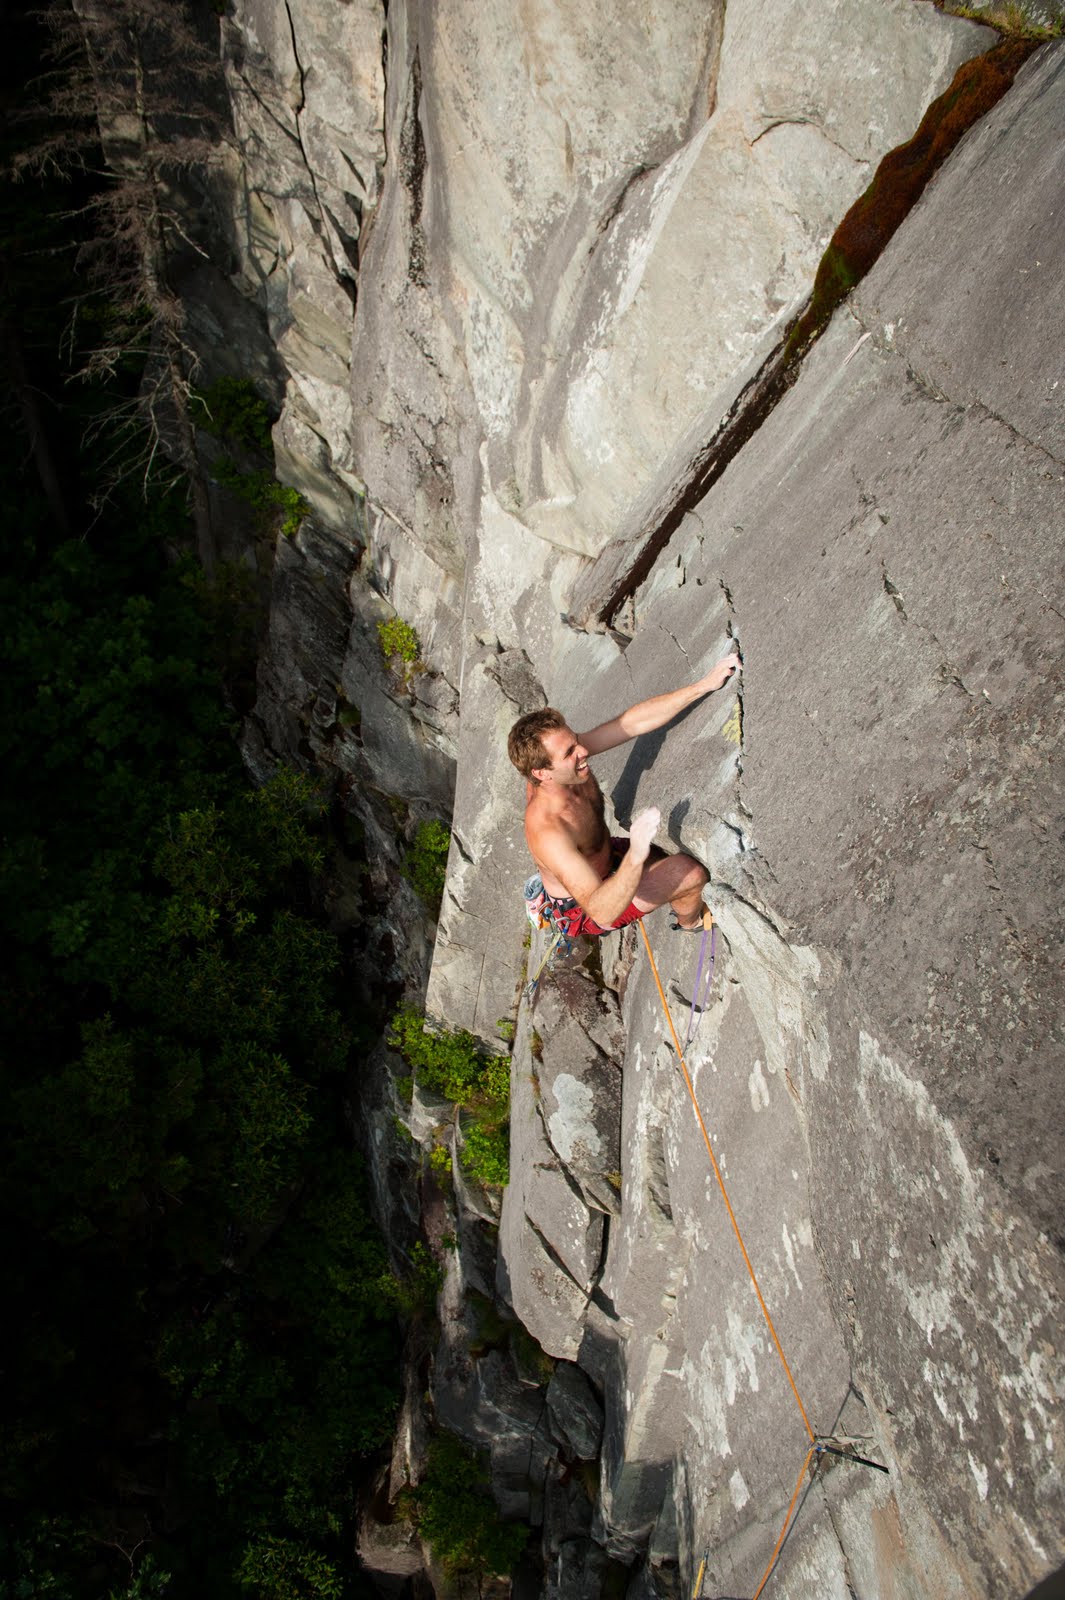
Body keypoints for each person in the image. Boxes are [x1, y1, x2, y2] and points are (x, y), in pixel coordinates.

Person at [507, 654, 741, 939]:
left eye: (576, 742)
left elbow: (630, 724)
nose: (582, 752)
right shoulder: (549, 832)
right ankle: (689, 922)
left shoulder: (565, 765)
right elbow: (601, 910)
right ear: (542, 773)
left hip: (607, 856)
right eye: (569, 753)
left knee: (662, 857)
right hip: (588, 906)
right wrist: (636, 856)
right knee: (688, 873)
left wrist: (704, 685)